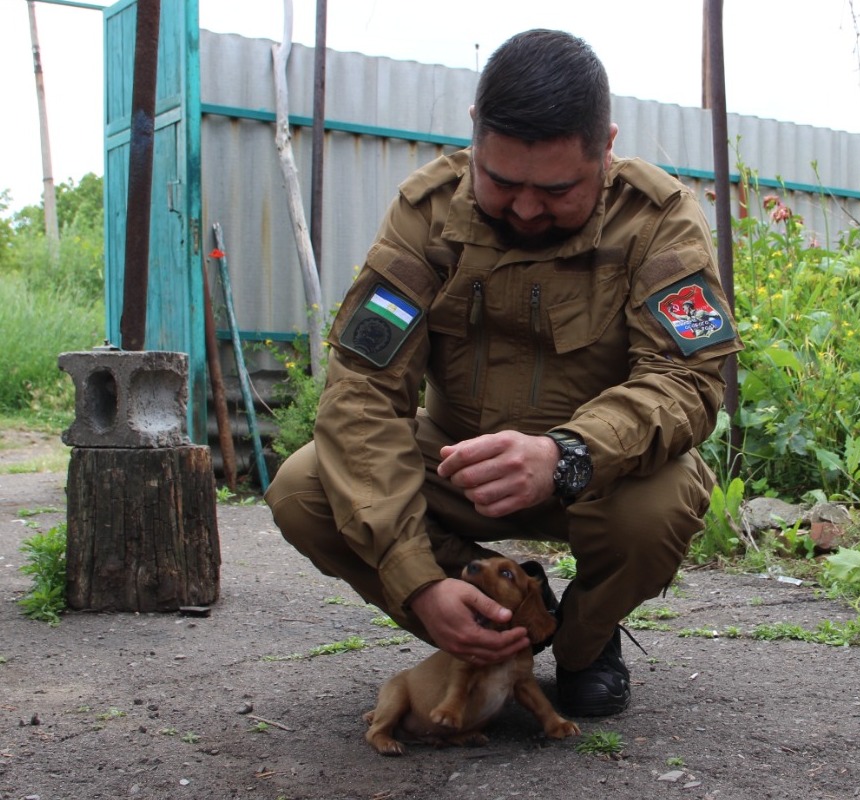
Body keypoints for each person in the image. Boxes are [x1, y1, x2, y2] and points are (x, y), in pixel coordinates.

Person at [264, 28, 742, 718]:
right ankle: (486, 618)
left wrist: (565, 454)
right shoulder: (426, 216)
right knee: (305, 487)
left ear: (606, 148)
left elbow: (686, 381)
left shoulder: (656, 220)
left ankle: (581, 644)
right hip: (457, 465)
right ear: (474, 133)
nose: (525, 208)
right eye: (502, 181)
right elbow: (363, 392)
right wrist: (419, 581)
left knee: (660, 506)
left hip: (598, 473)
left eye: (556, 189)